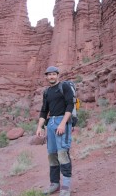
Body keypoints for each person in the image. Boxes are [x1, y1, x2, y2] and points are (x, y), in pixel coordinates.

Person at [36, 66, 74, 196]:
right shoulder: (46, 92)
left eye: (53, 74)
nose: (51, 76)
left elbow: (70, 104)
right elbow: (44, 110)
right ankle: (54, 184)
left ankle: (66, 187)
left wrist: (63, 123)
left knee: (63, 153)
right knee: (52, 154)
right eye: (49, 75)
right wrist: (40, 127)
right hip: (51, 123)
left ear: (58, 75)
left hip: (62, 121)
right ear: (47, 77)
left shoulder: (64, 87)